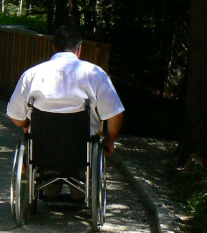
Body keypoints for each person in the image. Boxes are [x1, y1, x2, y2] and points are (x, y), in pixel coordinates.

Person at [6, 25, 124, 155]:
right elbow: (115, 114)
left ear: (54, 47)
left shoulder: (31, 75)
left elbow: (15, 115)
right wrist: (109, 140)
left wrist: (26, 123)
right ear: (79, 49)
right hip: (82, 151)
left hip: (41, 149)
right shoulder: (96, 74)